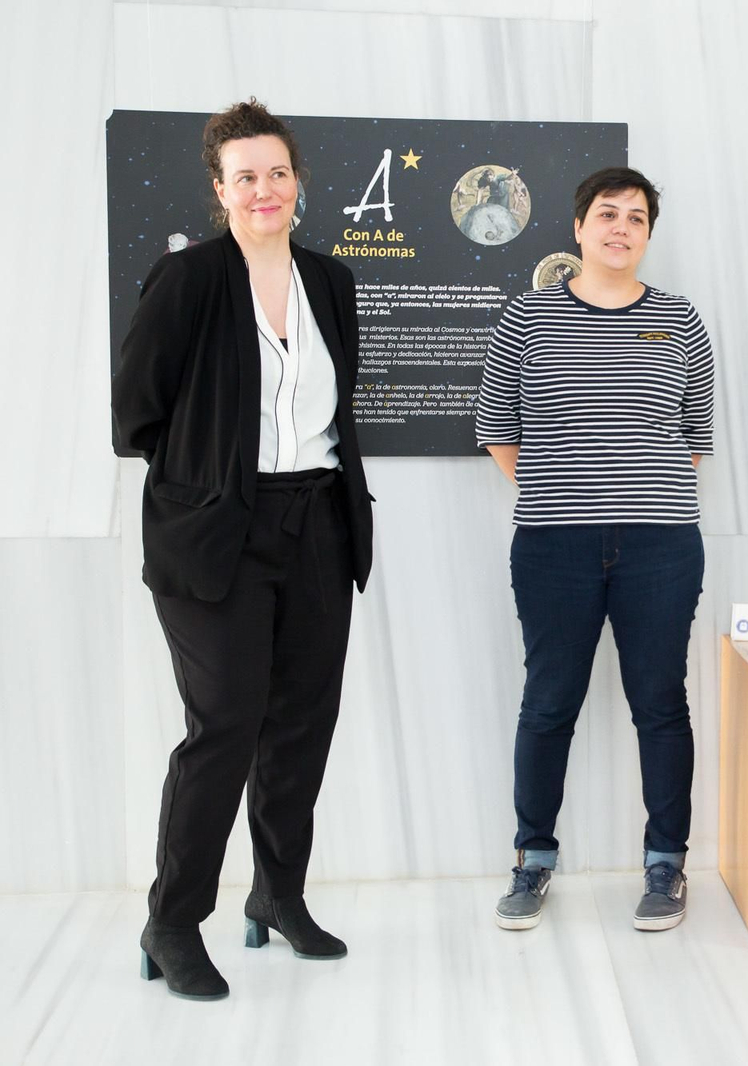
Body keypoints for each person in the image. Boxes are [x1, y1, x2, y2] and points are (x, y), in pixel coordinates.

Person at [112, 99, 375, 1000]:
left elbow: (334, 410)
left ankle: (278, 897)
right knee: (222, 729)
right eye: (245, 176)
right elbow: (136, 415)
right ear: (219, 189)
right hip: (215, 533)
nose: (263, 189)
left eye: (277, 172)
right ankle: (174, 920)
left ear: (297, 182)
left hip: (318, 528)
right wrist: (213, 478)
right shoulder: (186, 280)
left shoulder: (331, 282)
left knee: (302, 726)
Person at [477, 166, 713, 934]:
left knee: (660, 703)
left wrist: (636, 499)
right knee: (549, 704)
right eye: (607, 214)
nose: (620, 228)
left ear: (648, 235)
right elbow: (498, 430)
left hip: (661, 546)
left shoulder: (680, 321)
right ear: (578, 228)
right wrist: (566, 497)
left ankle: (666, 863)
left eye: (636, 218)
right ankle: (532, 860)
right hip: (553, 545)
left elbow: (693, 441)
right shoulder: (527, 319)